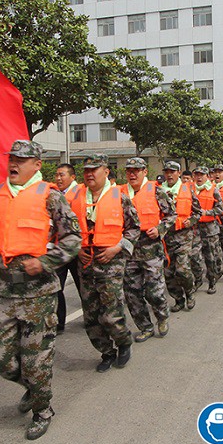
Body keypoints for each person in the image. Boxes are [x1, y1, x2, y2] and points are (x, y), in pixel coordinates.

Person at [0, 140, 81, 440]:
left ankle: (43, 409)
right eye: (11, 158)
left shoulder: (51, 197)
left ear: (37, 164)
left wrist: (46, 262)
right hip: (6, 292)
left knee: (36, 359)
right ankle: (31, 387)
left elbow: (73, 239)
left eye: (21, 159)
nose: (14, 163)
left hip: (40, 293)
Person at [69, 153, 139, 373]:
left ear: (106, 171)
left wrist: (117, 248)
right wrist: (76, 250)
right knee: (90, 314)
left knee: (110, 312)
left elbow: (134, 229)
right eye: (86, 170)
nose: (89, 174)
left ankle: (123, 341)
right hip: (85, 262)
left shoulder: (120, 196)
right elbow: (68, 230)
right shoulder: (75, 196)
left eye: (94, 169)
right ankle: (106, 351)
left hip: (111, 261)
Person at [122, 157, 176, 342]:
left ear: (145, 171)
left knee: (154, 291)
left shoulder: (157, 192)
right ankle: (145, 327)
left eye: (136, 170)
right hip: (128, 250)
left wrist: (160, 229)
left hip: (150, 248)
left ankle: (162, 315)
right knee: (132, 293)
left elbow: (171, 215)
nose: (132, 173)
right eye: (129, 170)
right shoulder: (119, 193)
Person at [159, 161, 202, 312]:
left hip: (183, 236)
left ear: (179, 173)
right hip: (165, 238)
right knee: (168, 273)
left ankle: (190, 292)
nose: (169, 174)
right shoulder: (158, 191)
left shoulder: (187, 190)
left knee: (182, 270)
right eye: (167, 172)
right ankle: (178, 299)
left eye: (172, 171)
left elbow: (198, 212)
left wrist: (191, 220)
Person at [53, 163, 82, 334]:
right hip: (59, 248)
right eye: (56, 175)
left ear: (72, 177)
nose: (58, 178)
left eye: (62, 175)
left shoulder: (81, 193)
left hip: (78, 249)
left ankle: (92, 318)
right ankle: (59, 323)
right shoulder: (53, 194)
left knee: (83, 287)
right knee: (57, 286)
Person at [192, 166, 223, 294]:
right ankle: (198, 279)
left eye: (202, 175)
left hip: (210, 229)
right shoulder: (191, 190)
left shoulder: (214, 190)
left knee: (210, 257)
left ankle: (212, 281)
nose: (199, 177)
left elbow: (220, 209)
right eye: (197, 175)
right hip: (195, 229)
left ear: (207, 176)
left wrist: (207, 212)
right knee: (194, 256)